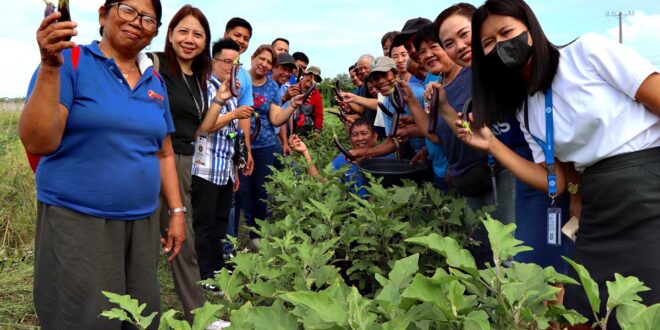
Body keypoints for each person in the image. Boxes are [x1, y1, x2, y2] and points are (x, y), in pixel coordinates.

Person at [457, 0, 660, 324]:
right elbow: (555, 181)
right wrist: (493, 145)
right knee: (582, 306)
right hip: (599, 205)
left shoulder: (586, 53)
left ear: (531, 29)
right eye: (489, 44)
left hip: (646, 187)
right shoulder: (527, 107)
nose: (501, 47)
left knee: (645, 306)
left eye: (506, 32)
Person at [20, 0, 184, 328]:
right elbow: (39, 141)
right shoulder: (70, 61)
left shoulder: (155, 81)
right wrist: (50, 67)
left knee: (139, 316)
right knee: (86, 318)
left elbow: (164, 153)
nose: (138, 21)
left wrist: (177, 212)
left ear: (154, 33)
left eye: (149, 19)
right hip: (80, 221)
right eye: (128, 9)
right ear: (103, 14)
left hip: (141, 222)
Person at [434, 2, 571, 273]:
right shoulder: (484, 84)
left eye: (465, 34)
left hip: (548, 184)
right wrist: (444, 108)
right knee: (528, 269)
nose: (460, 46)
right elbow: (471, 133)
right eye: (449, 43)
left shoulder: (523, 74)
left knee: (548, 271)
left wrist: (577, 193)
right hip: (523, 182)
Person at [147, 4, 211, 320]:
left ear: (205, 42)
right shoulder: (153, 65)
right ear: (169, 34)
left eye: (197, 34)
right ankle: (140, 315)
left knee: (182, 238)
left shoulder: (197, 78)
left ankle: (196, 314)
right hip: (151, 160)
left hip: (183, 161)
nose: (190, 39)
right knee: (147, 239)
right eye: (182, 31)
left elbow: (198, 128)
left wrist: (223, 101)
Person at [191, 37, 252, 289]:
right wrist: (234, 114)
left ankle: (217, 265)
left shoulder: (233, 92)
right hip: (204, 167)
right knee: (203, 224)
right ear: (213, 60)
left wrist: (236, 167)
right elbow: (203, 128)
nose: (230, 66)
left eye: (235, 63)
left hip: (224, 167)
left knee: (219, 222)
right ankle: (203, 273)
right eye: (226, 61)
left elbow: (231, 133)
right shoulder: (206, 88)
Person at [237, 45, 303, 248]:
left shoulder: (272, 88)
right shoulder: (239, 79)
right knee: (243, 190)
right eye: (261, 59)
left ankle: (257, 232)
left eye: (269, 62)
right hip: (240, 142)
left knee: (261, 189)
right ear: (253, 58)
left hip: (265, 144)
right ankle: (246, 225)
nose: (264, 65)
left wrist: (291, 105)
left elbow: (275, 119)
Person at [289, 118, 390, 197]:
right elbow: (321, 182)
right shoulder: (344, 159)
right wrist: (305, 152)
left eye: (364, 133)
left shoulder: (389, 159)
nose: (360, 138)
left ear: (375, 136)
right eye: (355, 135)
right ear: (350, 139)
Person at [292, 66, 324, 134]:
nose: (312, 80)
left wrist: (317, 130)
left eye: (315, 79)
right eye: (310, 76)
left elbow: (319, 115)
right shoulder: (293, 86)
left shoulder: (317, 95)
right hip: (288, 125)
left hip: (304, 128)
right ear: (304, 75)